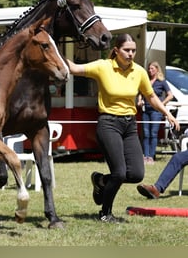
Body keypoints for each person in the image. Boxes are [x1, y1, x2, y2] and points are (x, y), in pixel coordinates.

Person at [67, 33, 179, 223]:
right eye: (127, 50)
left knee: (136, 174)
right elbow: (74, 69)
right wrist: (51, 46)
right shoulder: (103, 66)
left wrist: (167, 113)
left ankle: (101, 180)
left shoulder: (139, 71)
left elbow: (151, 96)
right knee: (119, 172)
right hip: (108, 123)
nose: (131, 54)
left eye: (133, 50)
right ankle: (105, 213)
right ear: (116, 50)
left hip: (129, 125)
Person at [137, 61, 174, 165]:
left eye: (152, 69)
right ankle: (145, 156)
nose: (150, 70)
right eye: (149, 69)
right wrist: (140, 100)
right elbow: (140, 92)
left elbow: (170, 95)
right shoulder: (146, 80)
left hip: (156, 112)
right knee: (146, 134)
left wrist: (161, 104)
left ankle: (151, 156)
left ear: (157, 69)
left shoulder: (161, 81)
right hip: (146, 110)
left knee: (153, 133)